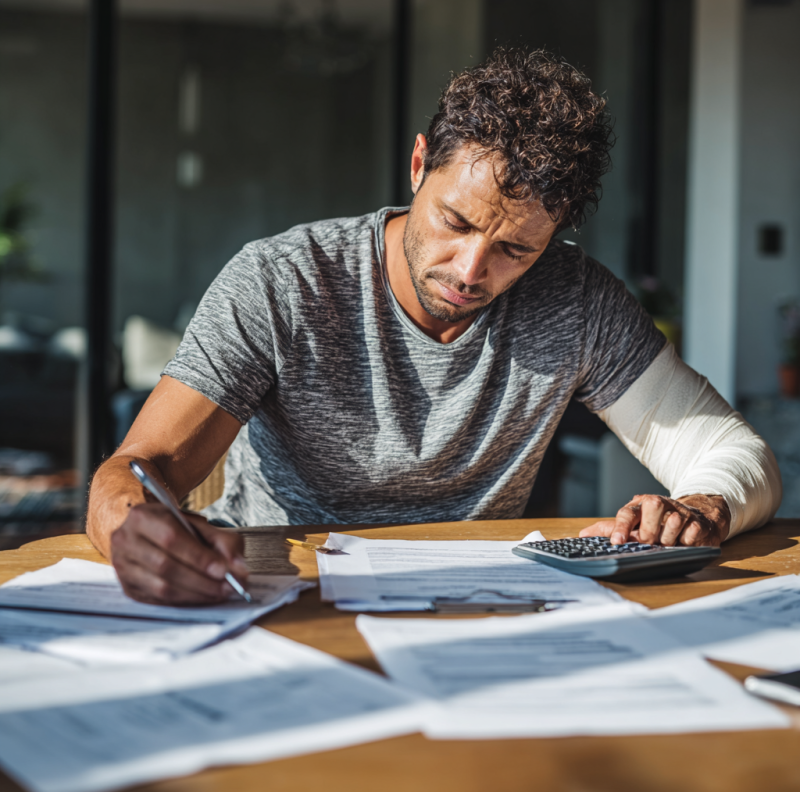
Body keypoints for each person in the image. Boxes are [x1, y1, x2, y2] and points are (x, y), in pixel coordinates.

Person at [87, 48, 781, 606]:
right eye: (455, 221)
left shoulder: (576, 300)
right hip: (279, 590)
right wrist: (134, 530)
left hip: (473, 604)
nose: (470, 270)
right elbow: (136, 470)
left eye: (516, 249)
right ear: (419, 165)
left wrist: (703, 505)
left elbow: (732, 453)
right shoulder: (280, 281)